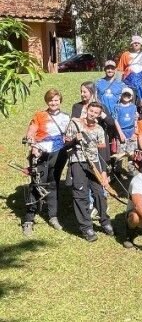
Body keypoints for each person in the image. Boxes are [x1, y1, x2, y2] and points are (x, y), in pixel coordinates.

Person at [22, 89, 70, 236]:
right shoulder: (40, 115)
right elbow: (31, 132)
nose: (53, 103)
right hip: (41, 153)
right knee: (37, 184)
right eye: (50, 100)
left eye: (56, 100)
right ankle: (28, 220)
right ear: (47, 101)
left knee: (53, 183)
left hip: (59, 153)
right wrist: (33, 145)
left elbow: (69, 135)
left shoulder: (66, 117)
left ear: (60, 101)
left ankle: (53, 216)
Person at [65, 102, 114, 241]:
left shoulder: (99, 129)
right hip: (78, 162)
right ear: (87, 110)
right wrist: (75, 140)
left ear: (99, 115)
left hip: (94, 164)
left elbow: (102, 149)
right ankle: (86, 227)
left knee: (99, 192)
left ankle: (104, 221)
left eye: (96, 113)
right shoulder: (75, 123)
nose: (92, 114)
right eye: (91, 111)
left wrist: (103, 170)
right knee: (80, 194)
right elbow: (66, 143)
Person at [71, 81, 114, 166]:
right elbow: (73, 122)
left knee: (100, 169)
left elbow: (111, 123)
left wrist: (102, 115)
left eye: (84, 92)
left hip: (98, 143)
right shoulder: (77, 106)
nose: (82, 94)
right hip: (82, 143)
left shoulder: (101, 107)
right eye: (81, 92)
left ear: (92, 92)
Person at [116, 35, 142, 106]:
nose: (136, 44)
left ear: (141, 44)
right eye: (134, 42)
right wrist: (118, 85)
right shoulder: (125, 55)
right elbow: (120, 70)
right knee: (128, 104)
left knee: (141, 106)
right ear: (131, 44)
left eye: (138, 43)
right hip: (128, 84)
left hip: (141, 85)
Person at [112, 88, 139, 175]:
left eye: (128, 95)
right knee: (120, 154)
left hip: (131, 132)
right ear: (121, 95)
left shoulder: (133, 107)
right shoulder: (117, 107)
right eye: (125, 94)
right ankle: (117, 170)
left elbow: (135, 119)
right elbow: (115, 120)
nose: (126, 96)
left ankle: (131, 169)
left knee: (132, 153)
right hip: (121, 133)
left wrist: (135, 132)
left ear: (131, 97)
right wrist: (120, 134)